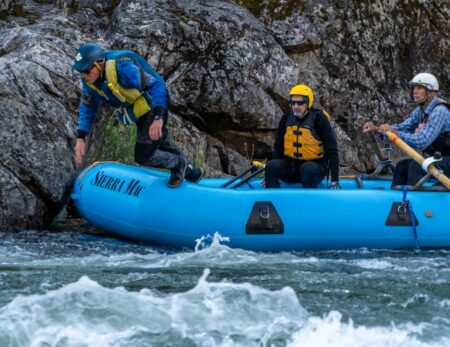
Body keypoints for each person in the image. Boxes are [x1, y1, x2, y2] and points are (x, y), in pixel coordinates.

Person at [72, 43, 203, 188]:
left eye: (86, 70)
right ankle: (193, 172)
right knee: (162, 142)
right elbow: (88, 107)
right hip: (139, 108)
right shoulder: (89, 81)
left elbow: (156, 85)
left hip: (155, 103)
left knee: (143, 155)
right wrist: (81, 136)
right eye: (80, 71)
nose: (83, 75)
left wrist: (158, 117)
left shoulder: (122, 68)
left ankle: (179, 164)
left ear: (98, 64)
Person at [362, 72, 450, 187]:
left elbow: (422, 140)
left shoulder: (440, 111)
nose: (414, 91)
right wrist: (378, 129)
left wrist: (397, 134)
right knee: (402, 166)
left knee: (415, 167)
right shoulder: (420, 110)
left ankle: (414, 202)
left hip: (447, 160)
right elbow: (403, 126)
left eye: (419, 88)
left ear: (430, 92)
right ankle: (395, 200)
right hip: (438, 159)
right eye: (414, 88)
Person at [264, 84, 340, 189]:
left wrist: (334, 181)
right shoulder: (286, 118)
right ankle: (272, 199)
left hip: (314, 169)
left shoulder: (319, 119)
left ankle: (308, 202)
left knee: (308, 168)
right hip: (291, 168)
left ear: (308, 103)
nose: (296, 106)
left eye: (300, 103)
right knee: (271, 166)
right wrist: (272, 176)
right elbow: (278, 146)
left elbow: (332, 151)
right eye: (293, 102)